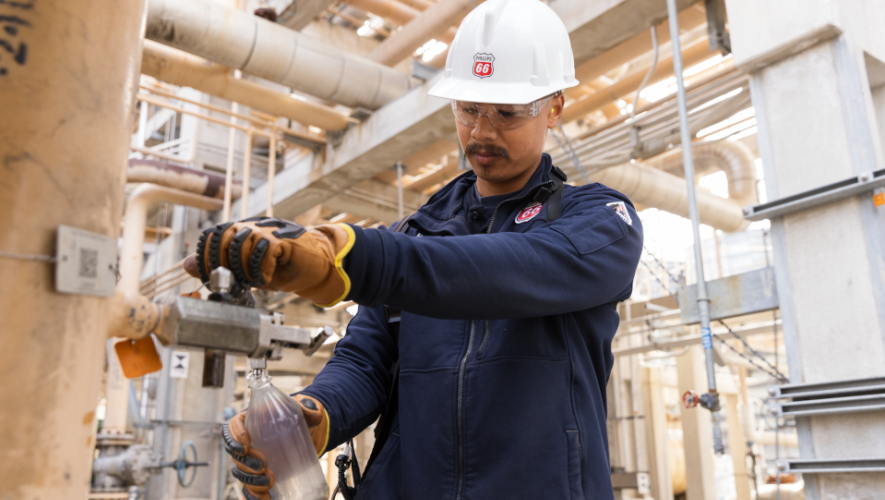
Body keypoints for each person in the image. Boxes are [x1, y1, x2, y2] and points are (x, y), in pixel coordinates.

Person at [185, 0, 643, 498]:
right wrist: (314, 414)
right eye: (468, 109)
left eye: (507, 113)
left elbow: (508, 270)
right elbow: (365, 362)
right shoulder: (416, 234)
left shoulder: (598, 221)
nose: (482, 131)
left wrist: (353, 258)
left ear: (554, 106)